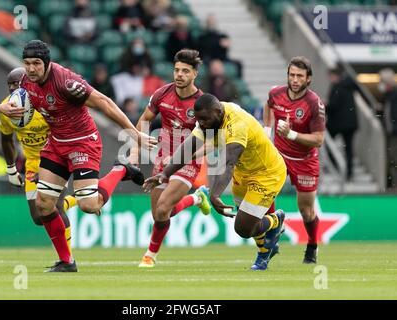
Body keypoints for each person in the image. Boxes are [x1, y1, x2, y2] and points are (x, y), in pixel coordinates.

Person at [0, 40, 157, 272]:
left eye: (36, 63)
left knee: (89, 205)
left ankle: (120, 169)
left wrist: (134, 133)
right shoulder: (25, 82)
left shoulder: (66, 82)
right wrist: (2, 109)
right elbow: (10, 104)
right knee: (43, 205)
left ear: (47, 63)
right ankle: (67, 262)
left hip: (83, 143)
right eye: (27, 63)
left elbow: (104, 102)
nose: (31, 68)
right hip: (56, 144)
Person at [143, 93, 287, 271]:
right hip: (244, 171)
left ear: (218, 112)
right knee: (250, 224)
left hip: (267, 172)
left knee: (243, 228)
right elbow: (189, 147)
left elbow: (228, 163)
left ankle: (276, 220)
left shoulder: (237, 125)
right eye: (198, 120)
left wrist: (215, 195)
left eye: (204, 120)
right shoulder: (209, 117)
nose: (201, 123)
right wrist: (164, 174)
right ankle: (265, 253)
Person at [129, 49, 211, 268]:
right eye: (176, 70)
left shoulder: (203, 103)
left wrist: (190, 155)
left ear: (195, 74)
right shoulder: (162, 95)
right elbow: (144, 120)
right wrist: (135, 152)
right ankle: (196, 198)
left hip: (188, 163)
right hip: (162, 159)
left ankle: (150, 255)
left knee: (164, 207)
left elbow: (213, 141)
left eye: (185, 71)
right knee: (159, 214)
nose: (179, 75)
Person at [0, 67, 77, 257]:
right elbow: (6, 139)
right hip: (33, 164)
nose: (14, 89)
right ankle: (76, 200)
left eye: (17, 84)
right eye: (10, 85)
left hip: (56, 158)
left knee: (53, 208)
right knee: (38, 217)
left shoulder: (45, 103)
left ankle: (67, 259)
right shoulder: (6, 109)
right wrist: (11, 170)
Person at [263, 56, 326, 264]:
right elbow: (268, 104)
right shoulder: (276, 93)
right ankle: (274, 232)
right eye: (292, 75)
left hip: (304, 159)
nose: (295, 79)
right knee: (264, 192)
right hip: (279, 155)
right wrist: (266, 130)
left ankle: (312, 245)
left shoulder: (314, 103)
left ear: (308, 79)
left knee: (306, 211)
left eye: (300, 76)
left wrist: (291, 135)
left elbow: (318, 140)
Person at [326, 66, 358, 181]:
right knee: (349, 149)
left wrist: (324, 106)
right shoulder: (349, 87)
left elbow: (333, 106)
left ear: (335, 76)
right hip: (350, 124)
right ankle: (349, 172)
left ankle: (334, 167)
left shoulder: (336, 87)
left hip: (337, 123)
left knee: (328, 145)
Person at [378, 68, 397, 189]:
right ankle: (393, 184)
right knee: (391, 160)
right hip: (390, 132)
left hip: (395, 133)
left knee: (394, 159)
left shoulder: (394, 96)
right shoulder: (388, 97)